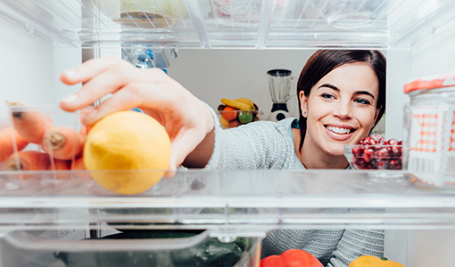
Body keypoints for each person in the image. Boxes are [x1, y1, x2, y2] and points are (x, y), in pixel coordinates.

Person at [59, 50, 386, 267]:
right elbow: (226, 152)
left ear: (376, 114)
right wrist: (199, 122)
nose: (342, 112)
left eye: (361, 101)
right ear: (304, 101)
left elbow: (355, 264)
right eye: (328, 95)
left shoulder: (373, 181)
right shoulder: (270, 141)